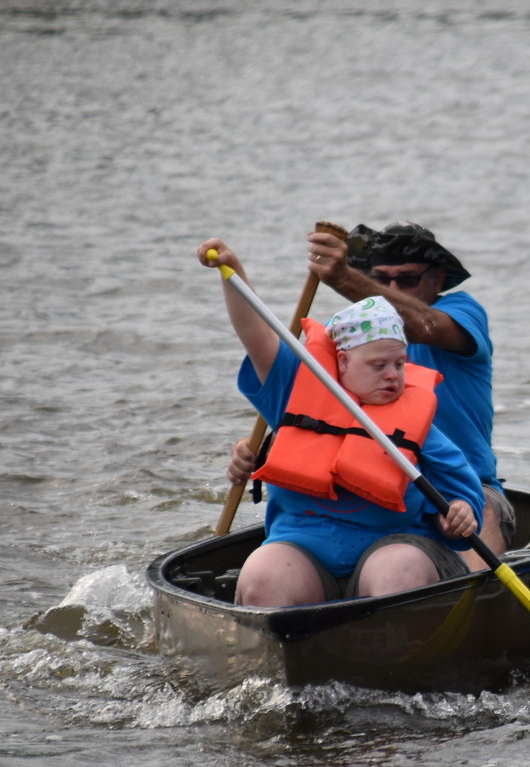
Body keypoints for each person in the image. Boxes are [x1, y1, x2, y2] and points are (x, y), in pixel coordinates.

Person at [198, 239, 485, 607]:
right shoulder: (295, 390)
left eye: (399, 364)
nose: (392, 377)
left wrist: (461, 514)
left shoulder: (419, 425)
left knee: (397, 573)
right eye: (378, 366)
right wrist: (231, 271)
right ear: (344, 363)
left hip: (394, 545)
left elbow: (463, 496)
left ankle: (393, 653)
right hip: (303, 550)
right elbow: (257, 334)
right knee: (264, 577)